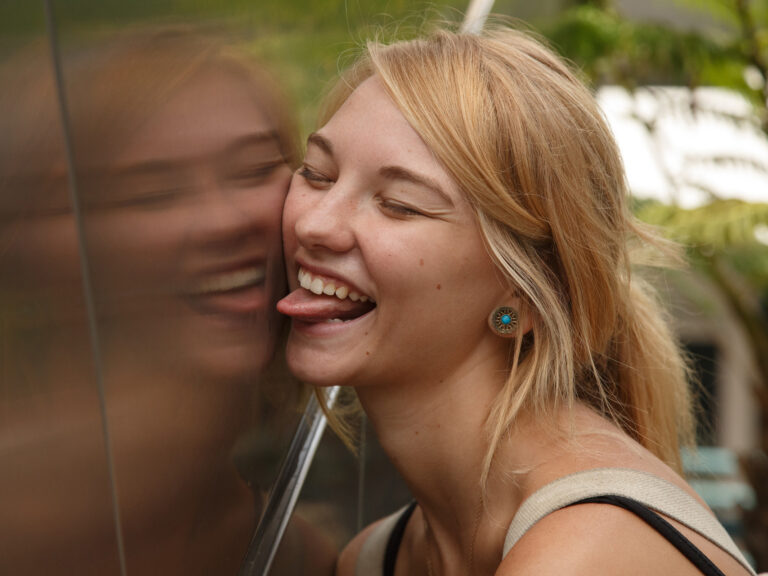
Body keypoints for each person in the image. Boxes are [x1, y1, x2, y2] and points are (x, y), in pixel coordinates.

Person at [276, 21, 759, 576]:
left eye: (399, 205)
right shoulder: (373, 557)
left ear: (524, 296)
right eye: (315, 173)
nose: (316, 223)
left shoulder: (584, 552)